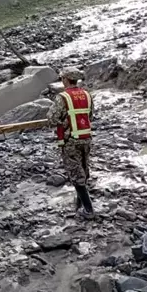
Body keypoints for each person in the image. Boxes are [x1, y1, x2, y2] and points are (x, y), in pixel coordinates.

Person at [46, 68, 95, 219]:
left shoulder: (63, 97)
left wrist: (63, 123)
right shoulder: (87, 94)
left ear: (66, 80)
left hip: (71, 140)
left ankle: (88, 209)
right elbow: (90, 115)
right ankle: (79, 204)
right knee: (83, 168)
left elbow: (52, 119)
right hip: (86, 137)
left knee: (75, 172)